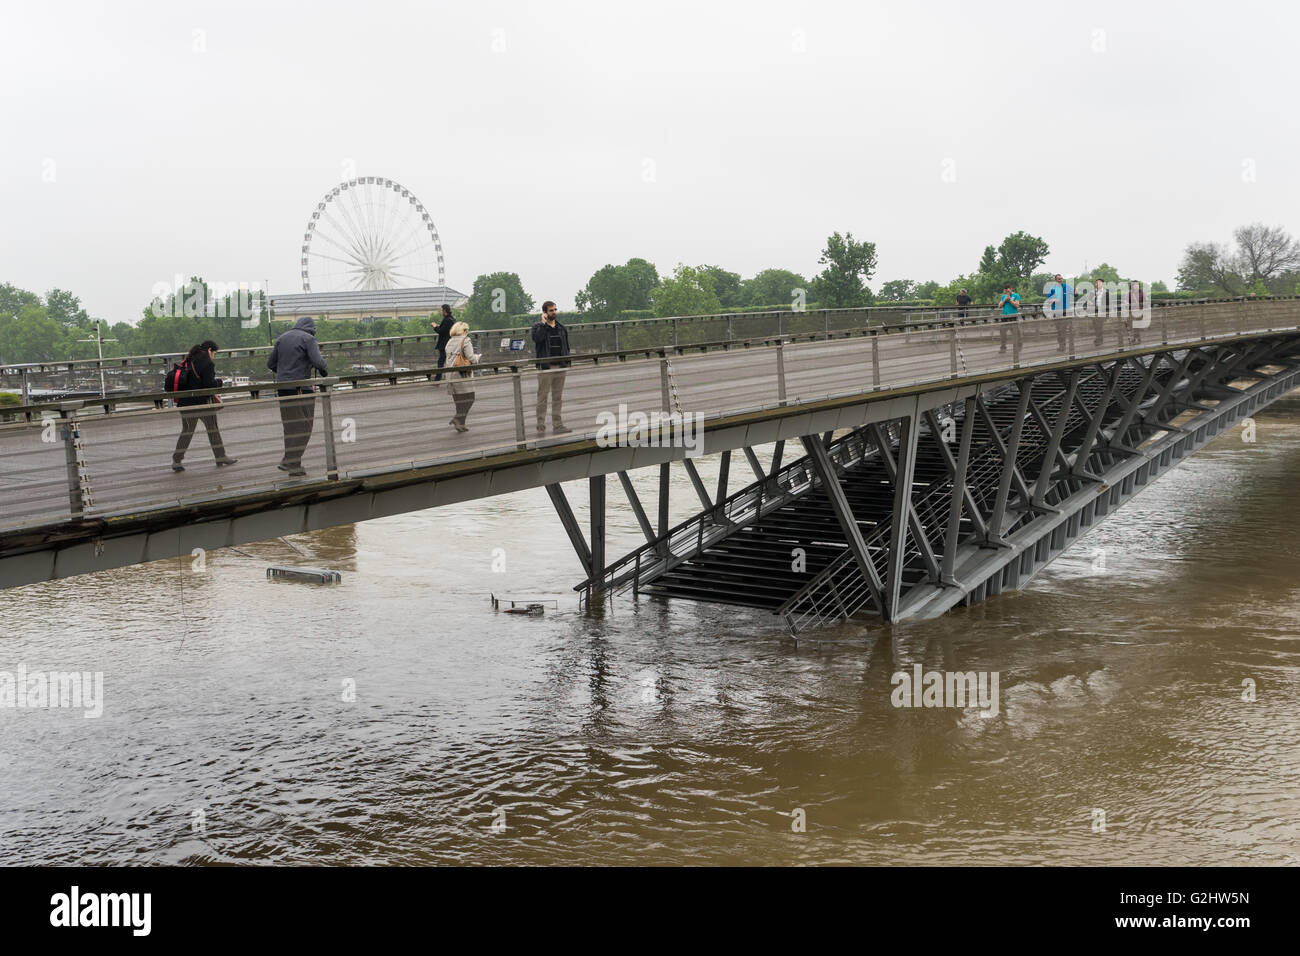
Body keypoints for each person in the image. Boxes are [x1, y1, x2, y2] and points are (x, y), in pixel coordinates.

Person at [267, 315, 328, 477]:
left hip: (283, 388)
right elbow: (318, 361)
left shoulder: (281, 338)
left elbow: (270, 364)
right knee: (305, 426)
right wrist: (324, 370)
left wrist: (284, 374)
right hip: (302, 389)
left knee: (290, 427)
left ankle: (295, 466)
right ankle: (289, 460)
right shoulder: (308, 339)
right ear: (311, 329)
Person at [171, 340, 236, 471]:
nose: (213, 356)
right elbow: (208, 385)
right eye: (214, 354)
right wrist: (219, 382)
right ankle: (220, 456)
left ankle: (177, 460)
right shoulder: (207, 363)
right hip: (202, 403)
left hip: (185, 403)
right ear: (210, 350)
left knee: (187, 431)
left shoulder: (189, 359)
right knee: (212, 429)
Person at [531, 301, 571, 434]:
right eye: (551, 310)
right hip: (546, 368)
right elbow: (537, 339)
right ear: (545, 313)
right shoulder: (538, 327)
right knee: (542, 397)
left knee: (557, 397)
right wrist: (543, 325)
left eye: (555, 310)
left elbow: (566, 346)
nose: (554, 312)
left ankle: (558, 424)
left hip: (560, 366)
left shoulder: (561, 328)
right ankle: (541, 425)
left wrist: (566, 361)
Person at [444, 321, 480, 431]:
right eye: (467, 330)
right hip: (462, 375)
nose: (467, 333)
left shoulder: (449, 341)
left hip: (450, 374)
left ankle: (461, 424)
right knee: (470, 398)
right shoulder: (466, 341)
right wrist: (477, 357)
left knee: (459, 402)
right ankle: (457, 419)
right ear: (463, 331)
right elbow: (471, 358)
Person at [1047, 273, 1073, 352]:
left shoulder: (1067, 287)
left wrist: (1076, 291)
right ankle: (1062, 346)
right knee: (1059, 330)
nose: (1060, 280)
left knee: (1065, 329)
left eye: (1061, 278)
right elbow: (1048, 300)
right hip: (1057, 312)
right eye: (1059, 279)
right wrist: (1053, 300)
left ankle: (1066, 346)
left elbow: (1075, 294)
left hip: (1066, 312)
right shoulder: (1052, 288)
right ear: (1055, 280)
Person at [997, 283, 1021, 357]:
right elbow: (999, 306)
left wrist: (1010, 299)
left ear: (1011, 289)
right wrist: (1005, 299)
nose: (1007, 291)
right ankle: (1003, 348)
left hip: (1013, 316)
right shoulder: (1003, 296)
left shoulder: (1016, 295)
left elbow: (1017, 305)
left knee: (1016, 333)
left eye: (1008, 290)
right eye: (1006, 290)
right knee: (1002, 333)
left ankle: (1017, 347)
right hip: (1005, 317)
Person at [432, 304, 454, 382]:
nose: (441, 312)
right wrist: (439, 326)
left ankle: (437, 380)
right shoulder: (452, 319)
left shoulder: (446, 319)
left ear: (444, 310)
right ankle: (447, 378)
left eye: (442, 310)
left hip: (444, 345)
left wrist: (435, 326)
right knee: (448, 362)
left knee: (440, 362)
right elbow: (445, 329)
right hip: (450, 344)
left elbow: (441, 331)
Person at [1092, 277, 1109, 347]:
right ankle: (1098, 338)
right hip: (1094, 313)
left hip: (1102, 312)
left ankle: (1099, 340)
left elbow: (1109, 303)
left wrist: (1107, 314)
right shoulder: (1093, 292)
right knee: (1096, 327)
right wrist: (1091, 300)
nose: (1097, 284)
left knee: (1099, 327)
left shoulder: (1106, 292)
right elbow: (1086, 303)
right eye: (1096, 282)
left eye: (1099, 282)